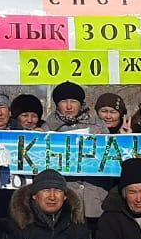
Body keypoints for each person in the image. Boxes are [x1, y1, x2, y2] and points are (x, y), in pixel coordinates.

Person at [41, 82, 110, 223]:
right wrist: (38, 139)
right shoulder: (48, 128)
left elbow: (110, 157)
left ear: (81, 103)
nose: (68, 106)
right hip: (66, 199)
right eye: (64, 102)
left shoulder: (97, 125)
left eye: (73, 101)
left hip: (96, 197)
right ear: (57, 104)